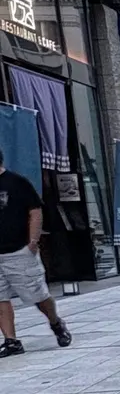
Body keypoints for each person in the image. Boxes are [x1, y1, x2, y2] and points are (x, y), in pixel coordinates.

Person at [0, 149, 71, 357]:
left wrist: (32, 241)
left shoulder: (17, 183)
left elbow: (35, 210)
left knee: (38, 296)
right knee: (0, 298)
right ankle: (11, 341)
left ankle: (56, 323)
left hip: (18, 250)